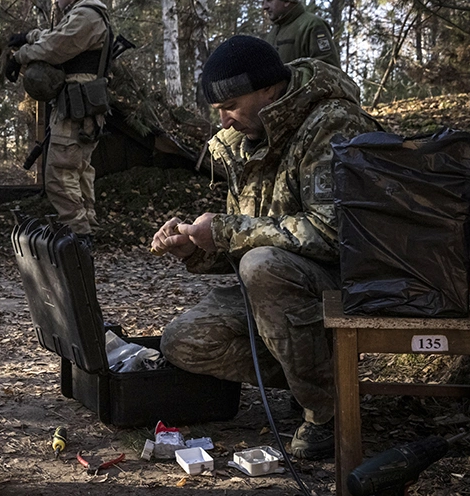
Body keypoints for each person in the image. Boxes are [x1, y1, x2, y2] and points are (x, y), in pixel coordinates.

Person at [150, 35, 376, 459]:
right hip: (279, 289)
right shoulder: (244, 139)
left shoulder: (331, 124)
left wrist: (225, 230)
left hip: (344, 284)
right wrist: (195, 248)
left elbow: (332, 231)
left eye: (231, 106)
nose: (224, 122)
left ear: (269, 90)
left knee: (262, 264)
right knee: (183, 341)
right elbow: (251, 235)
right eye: (218, 110)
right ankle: (317, 376)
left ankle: (327, 412)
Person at [6, 0, 111, 245]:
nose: (55, 1)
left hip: (77, 108)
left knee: (59, 173)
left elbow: (54, 47)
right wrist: (28, 36)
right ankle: (86, 230)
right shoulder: (85, 14)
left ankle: (78, 235)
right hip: (81, 108)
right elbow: (56, 35)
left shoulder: (86, 16)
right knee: (78, 170)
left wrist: (19, 57)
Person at [262, 0, 340, 67]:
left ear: (287, 1)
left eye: (269, 0)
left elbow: (327, 67)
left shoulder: (313, 25)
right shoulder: (274, 31)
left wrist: (292, 74)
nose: (264, 7)